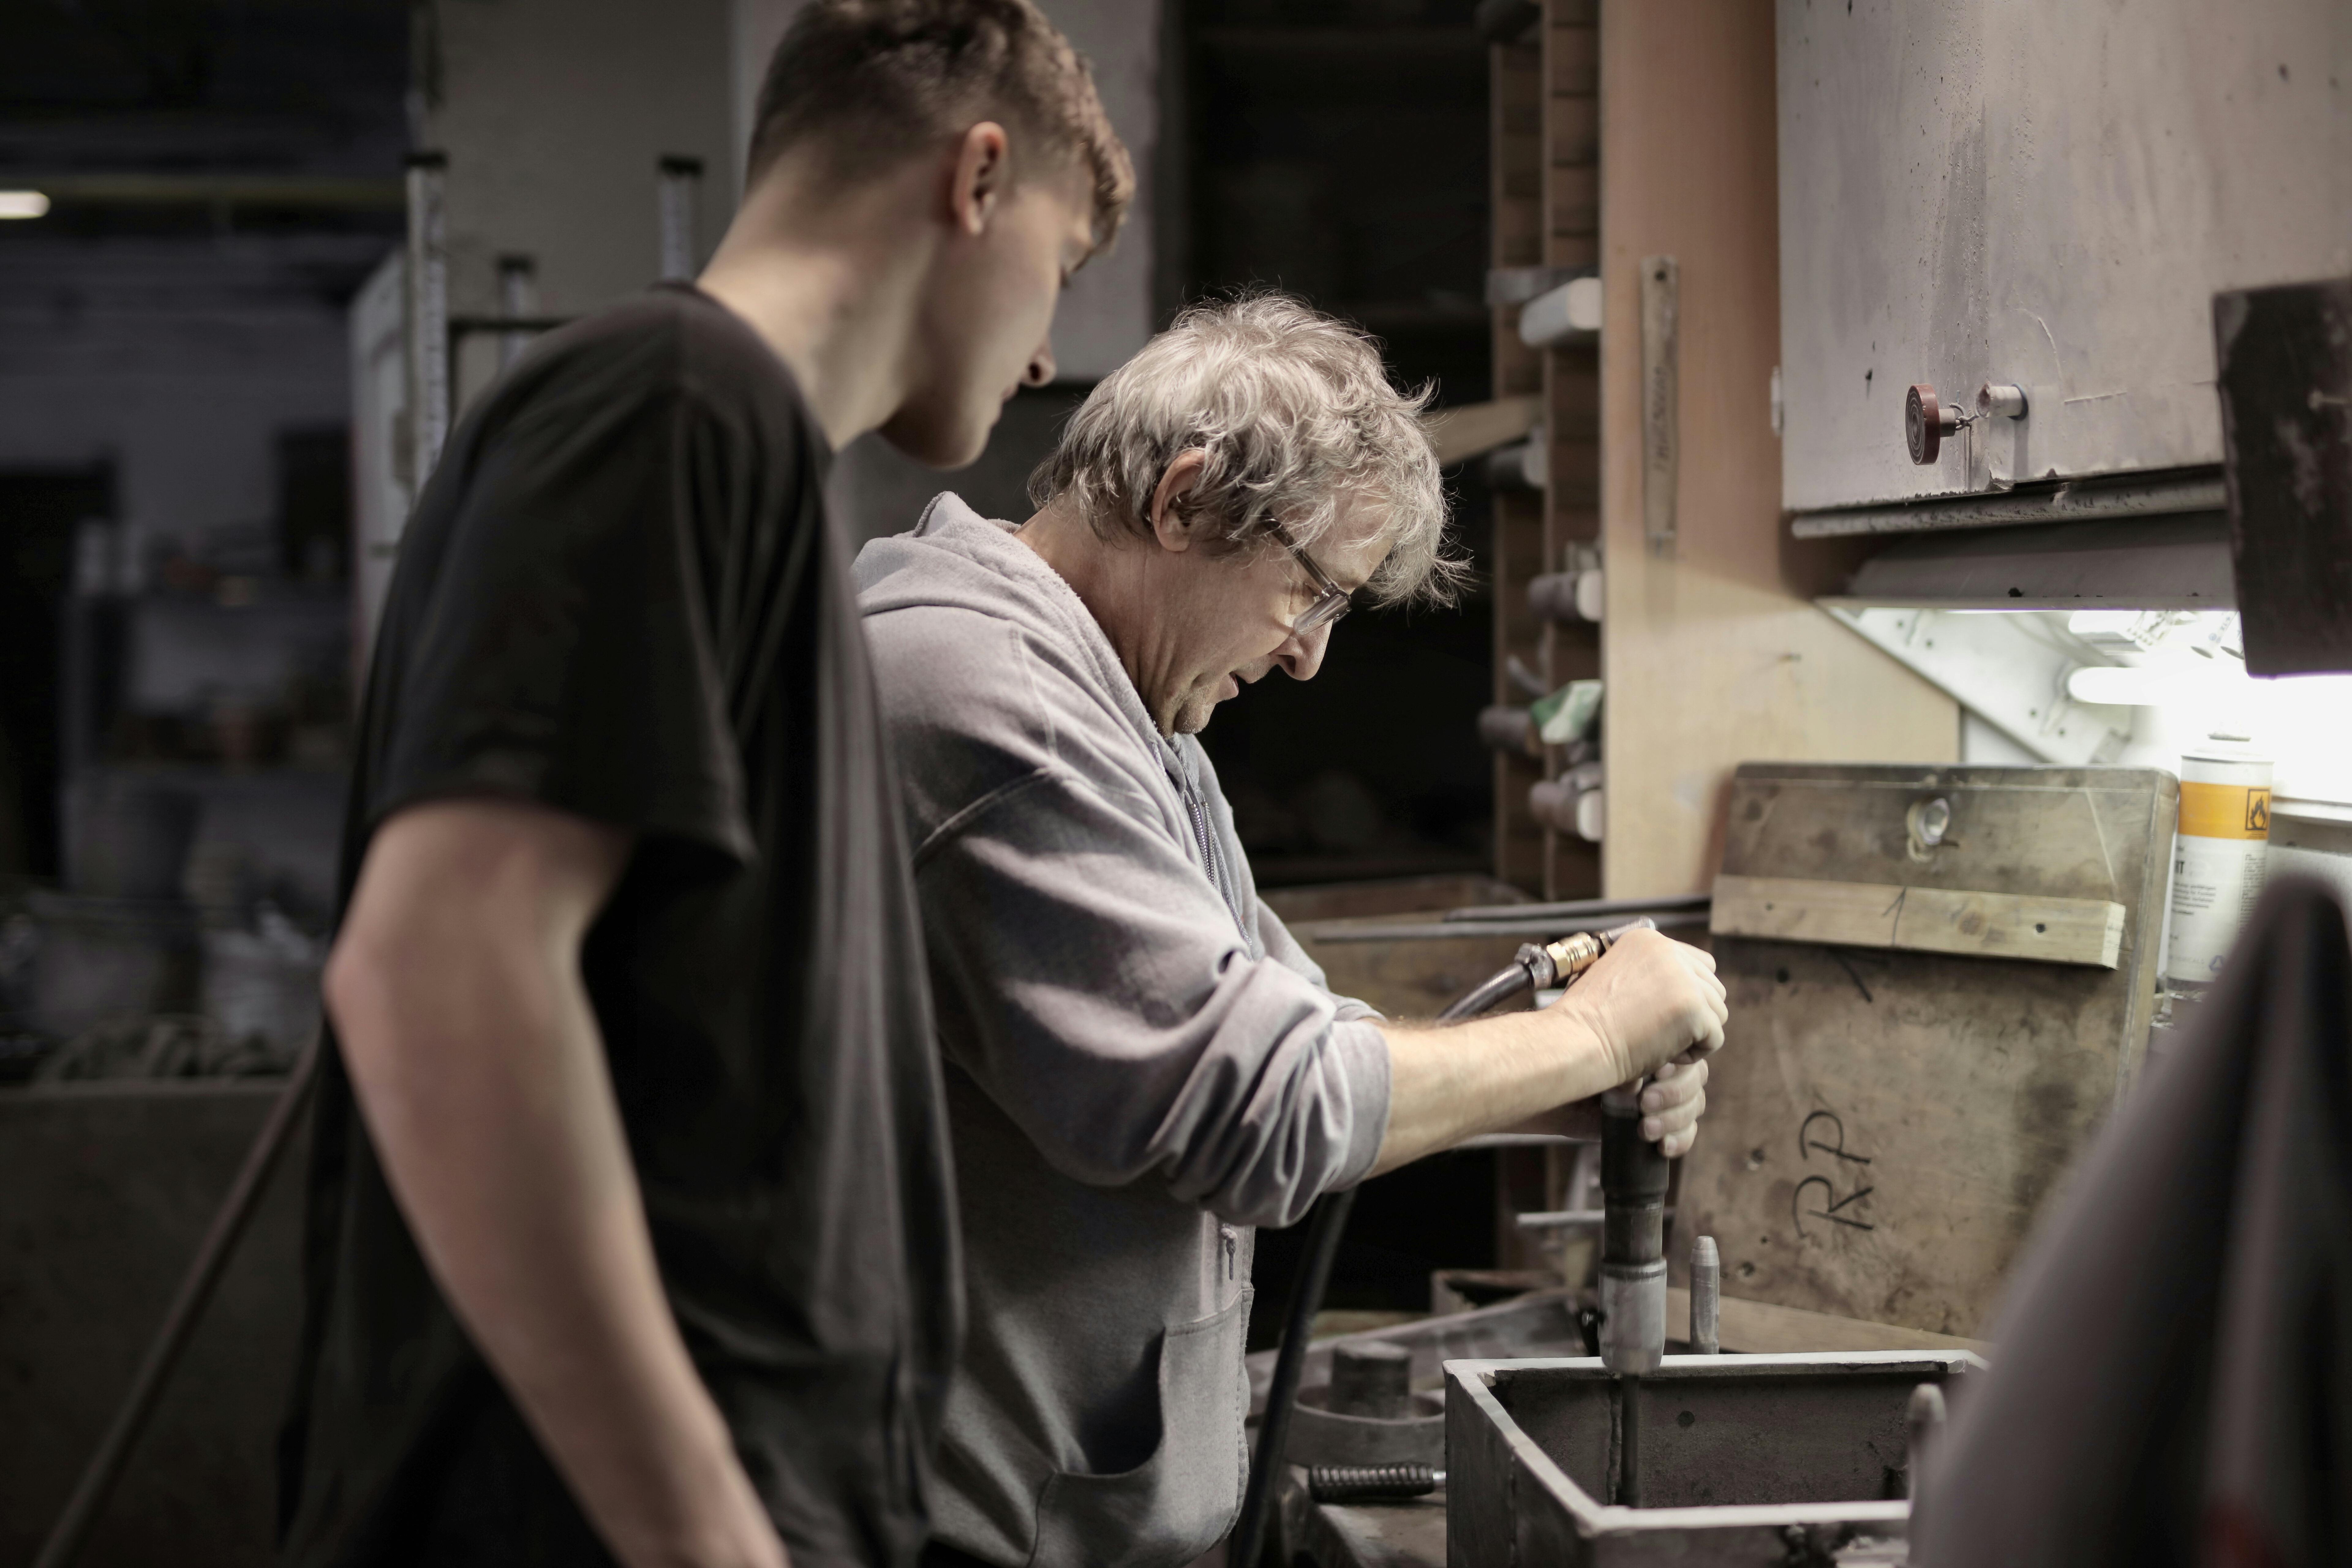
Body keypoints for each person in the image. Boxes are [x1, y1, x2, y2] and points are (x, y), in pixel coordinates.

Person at [277, 6, 1132, 1567]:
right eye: (1063, 269)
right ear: (980, 178)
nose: (1051, 350)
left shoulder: (722, 452)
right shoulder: (676, 408)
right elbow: (441, 972)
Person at [853, 295, 1728, 1568]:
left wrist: (1580, 1073)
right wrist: (1594, 1028)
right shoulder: (993, 706)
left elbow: (1310, 1042)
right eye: (1310, 592)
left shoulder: (1131, 704)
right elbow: (1261, 1103)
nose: (1312, 655)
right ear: (1185, 500)